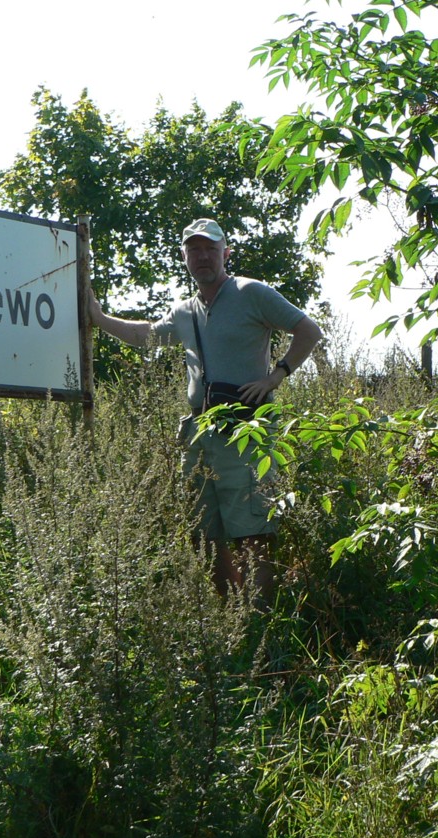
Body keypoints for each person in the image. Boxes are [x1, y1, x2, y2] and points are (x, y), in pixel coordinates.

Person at [87, 217, 323, 604]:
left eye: (210, 249)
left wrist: (275, 376)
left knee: (253, 531)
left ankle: (260, 620)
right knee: (202, 533)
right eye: (194, 250)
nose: (202, 257)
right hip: (199, 432)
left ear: (225, 254)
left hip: (246, 428)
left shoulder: (251, 293)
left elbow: (309, 331)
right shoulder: (185, 311)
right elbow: (146, 335)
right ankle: (233, 616)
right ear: (184, 257)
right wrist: (98, 318)